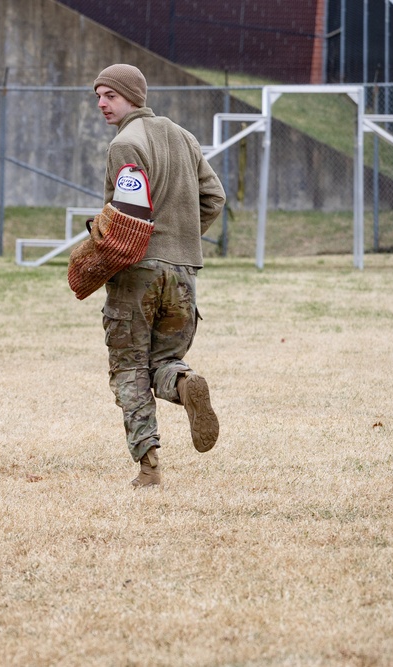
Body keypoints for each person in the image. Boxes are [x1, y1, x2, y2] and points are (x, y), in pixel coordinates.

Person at [92, 64, 227, 489]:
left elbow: (127, 214)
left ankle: (149, 468)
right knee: (164, 363)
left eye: (109, 95)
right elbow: (215, 197)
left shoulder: (125, 145)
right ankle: (185, 385)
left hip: (138, 273)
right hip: (184, 272)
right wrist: (182, 240)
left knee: (129, 367)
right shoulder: (183, 137)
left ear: (132, 95)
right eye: (97, 95)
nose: (101, 103)